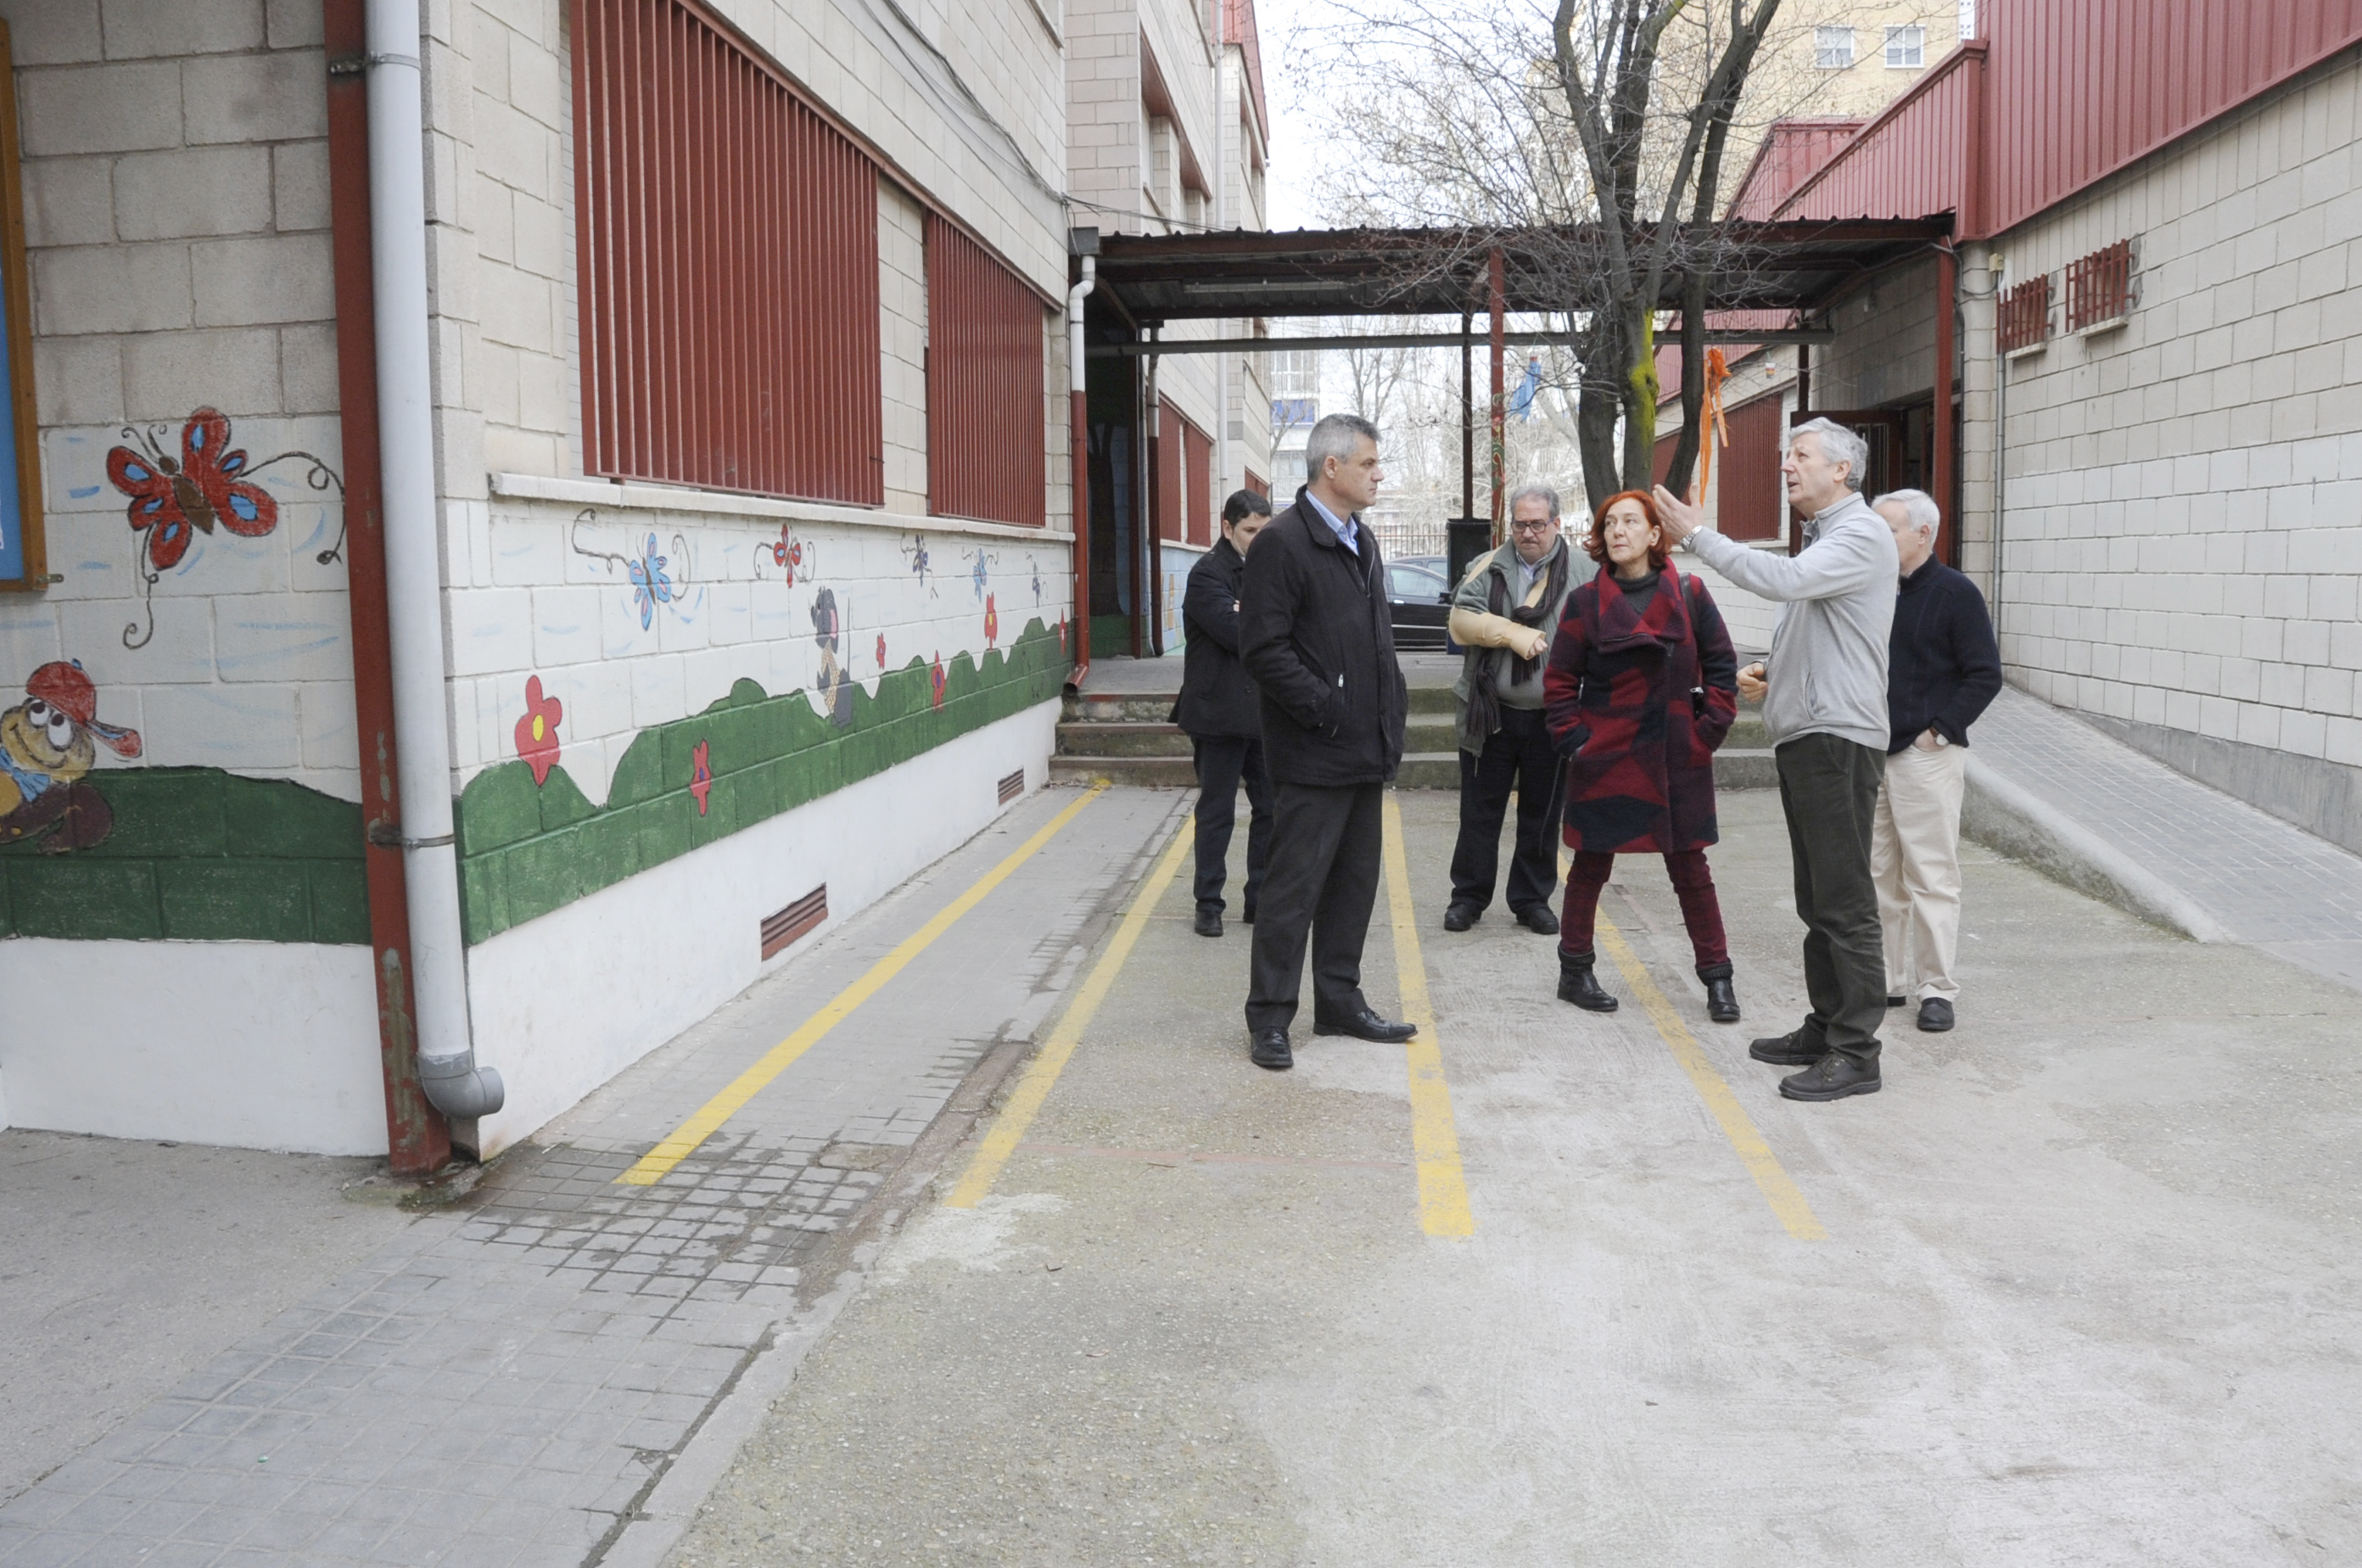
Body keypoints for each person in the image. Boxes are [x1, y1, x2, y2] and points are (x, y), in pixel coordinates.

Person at [1654, 417, 1898, 1102]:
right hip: (1811, 734)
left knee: (1844, 901)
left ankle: (1857, 1051)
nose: (1786, 465)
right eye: (1787, 455)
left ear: (1842, 470)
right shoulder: (1827, 536)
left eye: (1800, 455)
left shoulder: (1859, 532)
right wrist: (1775, 670)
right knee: (1818, 898)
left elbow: (1783, 581)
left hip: (1836, 738)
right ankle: (1827, 1025)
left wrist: (1698, 536)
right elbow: (1825, 627)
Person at [1236, 413, 1415, 1072]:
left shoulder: (1361, 540)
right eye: (1369, 463)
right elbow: (1264, 650)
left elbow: (1374, 642)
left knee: (1352, 887)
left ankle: (1339, 1002)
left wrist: (1387, 713)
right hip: (1314, 753)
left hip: (1364, 749)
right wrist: (1327, 709)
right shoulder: (1282, 543)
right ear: (1331, 467)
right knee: (1293, 892)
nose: (1379, 475)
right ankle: (1270, 1019)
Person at [1542, 490, 1743, 1023]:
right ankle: (1574, 971)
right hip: (1607, 757)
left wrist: (1708, 732)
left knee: (1692, 870)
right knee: (1590, 866)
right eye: (1610, 523)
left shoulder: (1691, 592)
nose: (1618, 531)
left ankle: (1718, 978)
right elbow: (1559, 682)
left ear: (1655, 535)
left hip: (1679, 755)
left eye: (1631, 521)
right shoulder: (1585, 602)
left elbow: (1722, 667)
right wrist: (1575, 740)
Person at [1870, 488, 2001, 1033]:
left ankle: (1936, 990)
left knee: (1931, 875)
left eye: (1888, 530)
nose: (1877, 539)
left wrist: (1939, 732)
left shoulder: (1956, 593)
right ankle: (1885, 981)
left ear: (1923, 534)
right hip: (1871, 752)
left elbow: (1985, 674)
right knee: (1877, 874)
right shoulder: (1872, 589)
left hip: (1925, 756)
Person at [1443, 484, 1577, 935]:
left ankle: (1531, 901)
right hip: (1490, 713)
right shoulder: (1486, 565)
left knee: (1542, 816)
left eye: (1538, 524)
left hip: (1552, 717)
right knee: (1479, 814)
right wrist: (1514, 635)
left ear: (1556, 524)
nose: (1528, 533)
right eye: (1520, 524)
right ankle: (1468, 898)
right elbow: (1461, 620)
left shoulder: (1584, 571)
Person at [1173, 490, 1276, 939]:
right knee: (1217, 812)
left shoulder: (1272, 569)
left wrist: (1251, 613)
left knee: (1271, 809)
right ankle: (1208, 904)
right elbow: (1238, 633)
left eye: (1265, 531)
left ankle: (1260, 900)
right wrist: (1261, 617)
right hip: (1216, 714)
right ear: (1227, 527)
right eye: (1250, 530)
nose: (1259, 539)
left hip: (1265, 714)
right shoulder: (1207, 574)